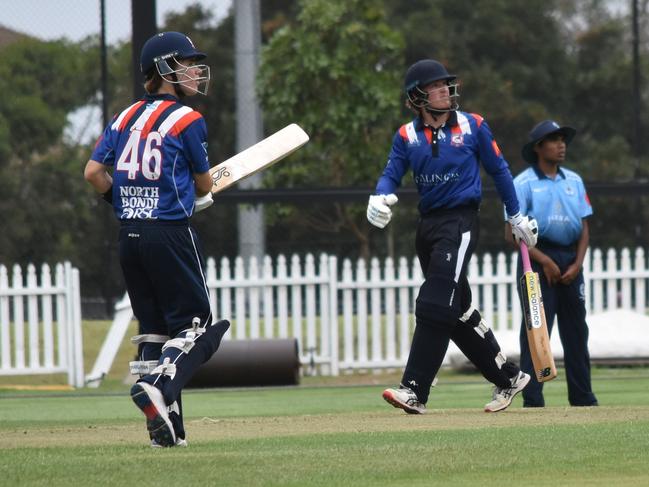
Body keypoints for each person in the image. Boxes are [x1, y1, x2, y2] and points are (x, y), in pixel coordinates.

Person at [368, 59, 539, 414]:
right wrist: (379, 195)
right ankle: (508, 377)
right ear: (418, 96)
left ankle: (414, 390)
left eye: (448, 85)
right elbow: (391, 174)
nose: (447, 91)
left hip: (460, 222)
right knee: (455, 310)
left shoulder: (474, 126)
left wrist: (515, 214)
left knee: (433, 304)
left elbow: (500, 171)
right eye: (437, 86)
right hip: (427, 226)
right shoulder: (406, 136)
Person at [84, 31, 230, 447]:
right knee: (197, 330)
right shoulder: (188, 120)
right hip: (170, 233)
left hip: (129, 235)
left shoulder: (124, 117)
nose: (196, 71)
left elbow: (93, 173)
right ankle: (159, 390)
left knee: (155, 333)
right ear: (166, 68)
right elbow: (204, 184)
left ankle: (167, 431)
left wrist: (122, 201)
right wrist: (197, 196)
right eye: (186, 63)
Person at [506, 120, 598, 407]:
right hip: (534, 259)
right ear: (538, 147)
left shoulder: (574, 180)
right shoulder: (522, 183)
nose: (562, 145)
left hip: (570, 260)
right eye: (554, 140)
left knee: (576, 331)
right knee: (536, 331)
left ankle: (582, 397)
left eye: (563, 140)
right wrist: (544, 261)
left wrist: (578, 263)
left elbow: (584, 226)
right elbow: (511, 233)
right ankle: (532, 399)